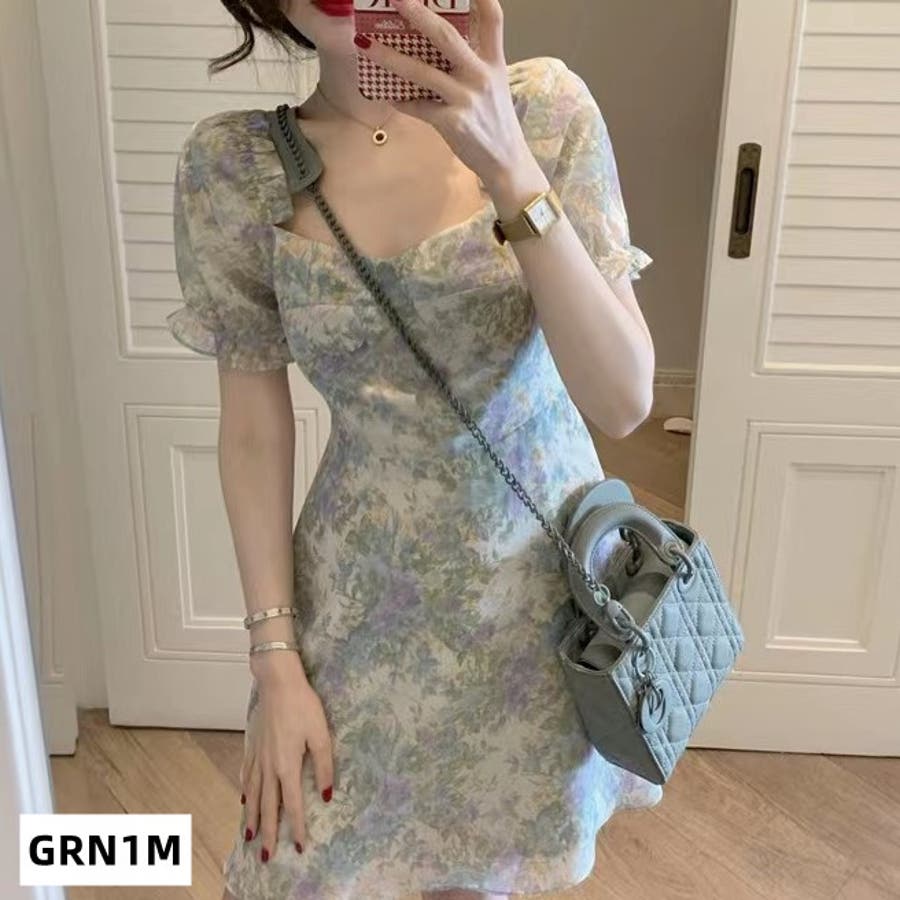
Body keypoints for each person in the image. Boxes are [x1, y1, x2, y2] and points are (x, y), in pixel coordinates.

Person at [167, 0, 663, 897]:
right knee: (309, 862)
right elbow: (251, 429)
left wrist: (508, 167)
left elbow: (622, 399)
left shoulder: (544, 112)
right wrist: (275, 659)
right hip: (361, 603)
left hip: (537, 599)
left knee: (490, 874)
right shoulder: (235, 168)